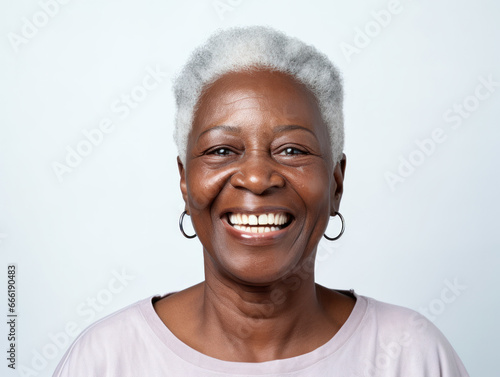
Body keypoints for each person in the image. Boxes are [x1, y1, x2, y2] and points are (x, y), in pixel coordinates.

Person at [53, 26, 469, 376]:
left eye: (292, 150)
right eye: (221, 150)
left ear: (337, 184)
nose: (256, 177)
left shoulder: (411, 355)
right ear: (184, 181)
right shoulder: (107, 360)